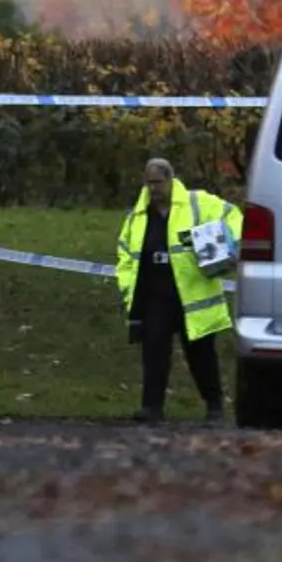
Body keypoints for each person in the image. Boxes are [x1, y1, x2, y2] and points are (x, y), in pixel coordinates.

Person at [114, 157, 244, 423]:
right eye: (149, 183)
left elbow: (234, 216)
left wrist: (227, 246)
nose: (153, 189)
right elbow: (125, 255)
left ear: (171, 180)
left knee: (201, 354)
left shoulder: (198, 203)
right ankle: (152, 408)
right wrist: (128, 289)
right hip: (155, 295)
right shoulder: (137, 217)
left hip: (190, 295)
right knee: (154, 352)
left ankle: (214, 407)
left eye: (158, 182)